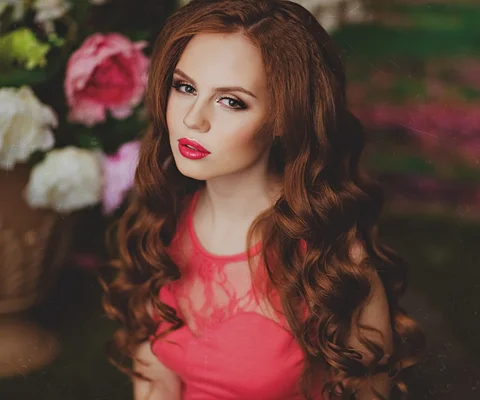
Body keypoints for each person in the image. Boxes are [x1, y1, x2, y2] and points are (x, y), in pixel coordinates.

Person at [102, 0, 423, 399]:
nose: (193, 119)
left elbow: (368, 389)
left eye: (231, 101)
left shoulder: (331, 260)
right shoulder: (160, 224)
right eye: (185, 87)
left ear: (282, 119)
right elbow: (154, 383)